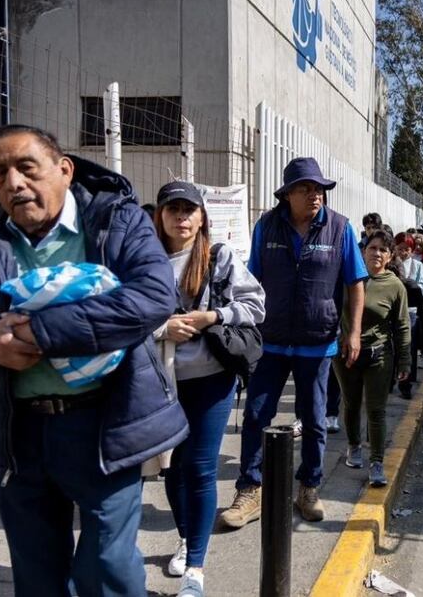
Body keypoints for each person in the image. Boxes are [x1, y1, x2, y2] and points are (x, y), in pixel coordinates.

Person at [0, 124, 187, 596]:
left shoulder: (118, 220)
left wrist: (42, 332)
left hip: (103, 425)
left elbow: (154, 297)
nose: (13, 184)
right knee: (36, 573)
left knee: (109, 567)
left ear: (64, 170)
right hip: (17, 431)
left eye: (26, 168)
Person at [220, 157, 366, 527]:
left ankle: (309, 487)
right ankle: (250, 490)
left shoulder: (340, 229)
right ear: (287, 194)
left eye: (319, 188)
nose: (315, 194)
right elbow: (251, 279)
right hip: (269, 341)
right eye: (306, 188)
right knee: (256, 415)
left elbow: (355, 283)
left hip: (317, 343)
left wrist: (352, 332)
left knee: (315, 420)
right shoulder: (266, 226)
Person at [153, 181, 265, 596]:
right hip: (161, 383)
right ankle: (186, 537)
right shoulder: (144, 262)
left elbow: (257, 306)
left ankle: (195, 570)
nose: (181, 217)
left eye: (189, 209)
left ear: (202, 216)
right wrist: (163, 328)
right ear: (160, 216)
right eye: (173, 209)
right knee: (173, 467)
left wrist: (212, 315)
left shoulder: (219, 258)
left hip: (212, 381)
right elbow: (125, 316)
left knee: (200, 468)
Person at [333, 230, 411, 487]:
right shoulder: (348, 277)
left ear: (389, 257)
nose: (376, 253)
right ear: (364, 251)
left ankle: (377, 462)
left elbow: (401, 326)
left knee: (376, 411)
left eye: (383, 250)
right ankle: (354, 446)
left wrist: (404, 361)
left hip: (379, 356)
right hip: (346, 356)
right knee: (351, 404)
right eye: (372, 248)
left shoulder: (395, 286)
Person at [394, 232, 423, 398]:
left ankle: (406, 383)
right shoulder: (391, 264)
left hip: (410, 312)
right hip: (392, 312)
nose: (403, 252)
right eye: (400, 249)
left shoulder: (417, 266)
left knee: (408, 349)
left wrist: (413, 286)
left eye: (407, 249)